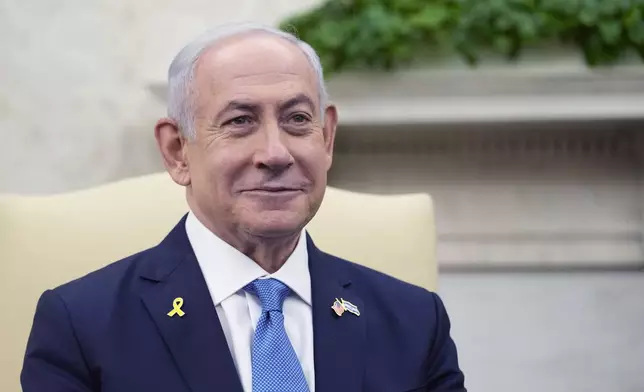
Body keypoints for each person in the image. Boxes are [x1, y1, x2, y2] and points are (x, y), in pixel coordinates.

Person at [21, 23, 466, 392]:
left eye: (296, 120)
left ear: (327, 138)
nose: (275, 153)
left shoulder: (413, 321)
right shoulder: (83, 325)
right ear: (178, 151)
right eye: (240, 121)